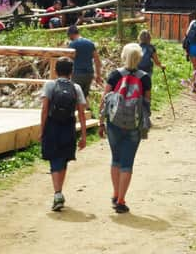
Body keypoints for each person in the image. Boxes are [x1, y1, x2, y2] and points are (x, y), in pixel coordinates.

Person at [98, 43, 151, 214]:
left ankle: (114, 194)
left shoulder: (115, 75)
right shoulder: (145, 78)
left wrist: (100, 121)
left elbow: (105, 99)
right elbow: (147, 104)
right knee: (127, 163)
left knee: (116, 159)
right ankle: (121, 200)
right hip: (134, 124)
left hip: (114, 122)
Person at [40, 57, 88, 212]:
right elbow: (81, 113)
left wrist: (42, 130)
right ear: (71, 72)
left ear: (55, 70)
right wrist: (84, 136)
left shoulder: (50, 85)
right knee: (64, 159)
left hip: (52, 126)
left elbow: (45, 109)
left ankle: (57, 193)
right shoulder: (76, 88)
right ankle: (59, 192)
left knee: (54, 159)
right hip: (69, 126)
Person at [67, 25, 102, 104]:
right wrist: (98, 75)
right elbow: (97, 60)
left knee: (75, 98)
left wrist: (67, 76)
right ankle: (83, 113)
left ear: (71, 34)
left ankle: (77, 114)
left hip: (77, 74)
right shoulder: (90, 43)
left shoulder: (72, 45)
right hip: (89, 74)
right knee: (84, 96)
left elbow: (69, 61)